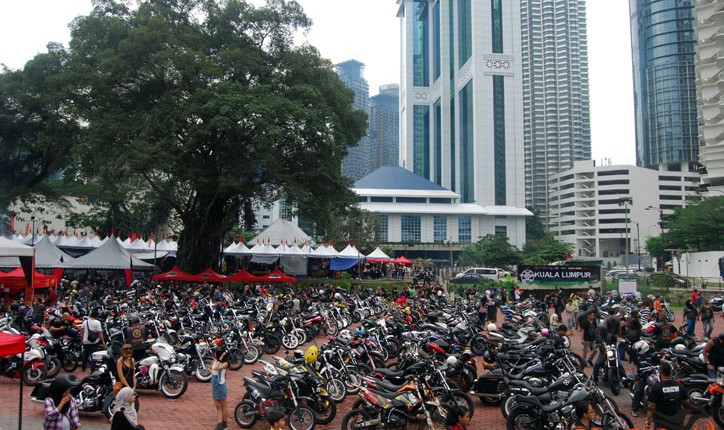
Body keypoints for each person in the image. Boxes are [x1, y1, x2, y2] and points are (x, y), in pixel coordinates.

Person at [646, 361, 690, 429]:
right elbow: (686, 402)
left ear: (660, 372)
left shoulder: (656, 387)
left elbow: (652, 405)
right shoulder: (680, 386)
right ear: (671, 372)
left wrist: (648, 419)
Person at [211, 347, 229, 430]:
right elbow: (212, 369)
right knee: (218, 406)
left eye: (215, 353)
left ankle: (224, 423)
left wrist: (220, 359)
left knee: (223, 405)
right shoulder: (215, 361)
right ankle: (219, 424)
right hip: (215, 386)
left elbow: (216, 368)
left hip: (220, 385)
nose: (213, 354)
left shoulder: (225, 363)